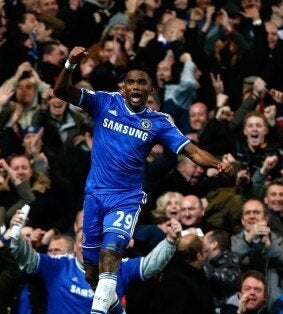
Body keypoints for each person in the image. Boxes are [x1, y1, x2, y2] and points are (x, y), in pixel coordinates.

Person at [53, 46, 233, 313]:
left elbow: (191, 151)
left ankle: (97, 311)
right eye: (131, 82)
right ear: (123, 87)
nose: (136, 87)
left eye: (142, 83)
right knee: (91, 273)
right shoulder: (105, 102)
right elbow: (60, 92)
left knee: (112, 250)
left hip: (126, 198)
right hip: (94, 196)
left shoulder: (159, 122)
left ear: (150, 90)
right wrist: (69, 64)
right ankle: (115, 309)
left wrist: (218, 163)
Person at [10, 210, 183, 314]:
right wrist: (16, 237)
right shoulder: (58, 265)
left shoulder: (117, 266)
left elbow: (150, 265)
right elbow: (27, 259)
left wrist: (170, 243)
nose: (88, 246)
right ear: (75, 246)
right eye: (83, 241)